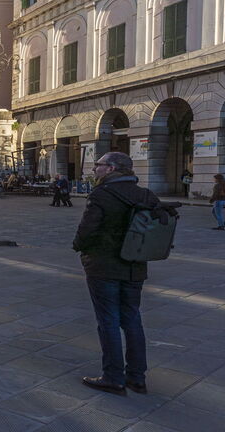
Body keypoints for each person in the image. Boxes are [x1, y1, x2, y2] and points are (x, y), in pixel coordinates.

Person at [73, 152, 160, 396]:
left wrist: (78, 246)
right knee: (132, 319)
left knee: (108, 320)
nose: (94, 170)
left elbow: (87, 229)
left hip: (104, 266)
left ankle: (113, 377)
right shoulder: (145, 194)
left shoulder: (102, 194)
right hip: (135, 266)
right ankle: (137, 377)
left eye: (97, 166)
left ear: (110, 169)